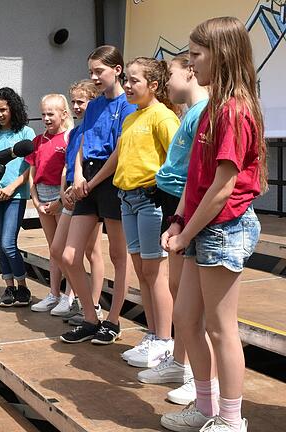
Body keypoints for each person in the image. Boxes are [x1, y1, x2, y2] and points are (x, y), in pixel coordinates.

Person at [160, 17, 265, 432]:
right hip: (202, 227)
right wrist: (179, 220)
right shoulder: (210, 108)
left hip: (226, 227)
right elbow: (194, 176)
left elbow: (223, 187)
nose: (190, 65)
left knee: (221, 329)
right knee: (186, 320)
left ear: (221, 55)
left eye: (196, 56)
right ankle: (205, 406)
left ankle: (230, 418)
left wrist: (185, 233)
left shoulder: (236, 110)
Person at [138, 52, 208, 406]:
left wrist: (184, 220)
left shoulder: (201, 111)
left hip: (187, 207)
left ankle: (198, 379)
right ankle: (180, 363)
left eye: (172, 74)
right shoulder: (189, 113)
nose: (167, 82)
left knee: (189, 303)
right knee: (178, 289)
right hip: (175, 206)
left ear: (191, 74)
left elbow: (199, 172)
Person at [59, 45, 137, 344]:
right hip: (87, 179)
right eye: (91, 71)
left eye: (99, 71)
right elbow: (82, 143)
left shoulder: (127, 105)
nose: (94, 77)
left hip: (111, 180)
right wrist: (78, 175)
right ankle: (91, 317)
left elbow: (118, 151)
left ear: (117, 70)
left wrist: (93, 181)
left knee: (118, 255)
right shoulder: (93, 106)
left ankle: (114, 320)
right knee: (68, 255)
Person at [113, 57, 180, 356]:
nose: (127, 85)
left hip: (150, 200)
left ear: (153, 85)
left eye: (134, 80)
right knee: (142, 272)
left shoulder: (162, 117)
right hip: (127, 200)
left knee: (155, 274)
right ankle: (153, 335)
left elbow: (178, 161)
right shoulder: (131, 117)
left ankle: (165, 341)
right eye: (126, 79)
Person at [49, 80, 105, 321]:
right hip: (70, 194)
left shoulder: (94, 128)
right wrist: (62, 190)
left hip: (87, 193)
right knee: (58, 249)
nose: (76, 106)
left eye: (80, 101)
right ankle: (79, 300)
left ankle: (93, 303)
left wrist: (76, 188)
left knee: (92, 252)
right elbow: (68, 165)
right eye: (73, 102)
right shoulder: (74, 132)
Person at [0, 87, 36, 307]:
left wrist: (11, 187)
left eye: (3, 109)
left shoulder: (25, 133)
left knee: (8, 242)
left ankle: (23, 287)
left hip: (16, 194)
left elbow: (29, 167)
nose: (0, 114)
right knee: (0, 243)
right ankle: (9, 287)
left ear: (13, 109)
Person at [28, 94, 73, 313]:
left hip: (60, 195)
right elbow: (32, 172)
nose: (46, 118)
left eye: (51, 114)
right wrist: (35, 200)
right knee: (53, 249)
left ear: (63, 114)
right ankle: (53, 293)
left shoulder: (68, 138)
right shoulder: (38, 140)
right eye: (43, 114)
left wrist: (58, 200)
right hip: (42, 194)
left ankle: (70, 294)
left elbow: (69, 171)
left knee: (63, 249)